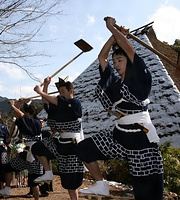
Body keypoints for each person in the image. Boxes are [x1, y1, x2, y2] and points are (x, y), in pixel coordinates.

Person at [76, 17, 164, 200]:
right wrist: (113, 39)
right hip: (119, 136)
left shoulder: (138, 80)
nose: (116, 64)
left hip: (141, 141)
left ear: (129, 61)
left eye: (120, 60)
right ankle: (101, 184)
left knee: (146, 192)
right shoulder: (114, 84)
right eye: (114, 61)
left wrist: (112, 29)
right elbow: (102, 57)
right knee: (83, 148)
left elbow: (130, 49)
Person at [31, 77, 85, 200]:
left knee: (71, 183)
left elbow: (56, 101)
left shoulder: (75, 103)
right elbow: (46, 103)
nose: (60, 94)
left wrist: (40, 91)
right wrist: (46, 85)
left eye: (63, 91)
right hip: (61, 143)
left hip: (73, 146)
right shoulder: (59, 105)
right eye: (59, 92)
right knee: (38, 147)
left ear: (71, 91)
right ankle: (48, 172)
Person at [0, 99, 44, 200]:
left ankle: (37, 199)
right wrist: (18, 104)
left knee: (33, 181)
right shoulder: (27, 122)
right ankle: (7, 189)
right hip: (26, 153)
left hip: (35, 155)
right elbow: (18, 116)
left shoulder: (36, 123)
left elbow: (21, 116)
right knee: (9, 167)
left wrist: (13, 106)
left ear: (30, 114)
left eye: (26, 113)